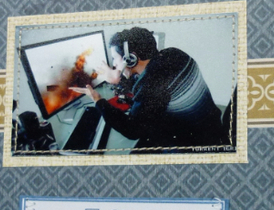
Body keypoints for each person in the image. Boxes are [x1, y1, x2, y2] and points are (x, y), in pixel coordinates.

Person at [72, 27, 225, 151]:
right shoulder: (173, 53)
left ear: (130, 59)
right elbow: (149, 84)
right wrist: (119, 79)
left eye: (115, 59)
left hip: (195, 143)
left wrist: (98, 99)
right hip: (211, 125)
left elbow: (132, 130)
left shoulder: (151, 86)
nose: (114, 65)